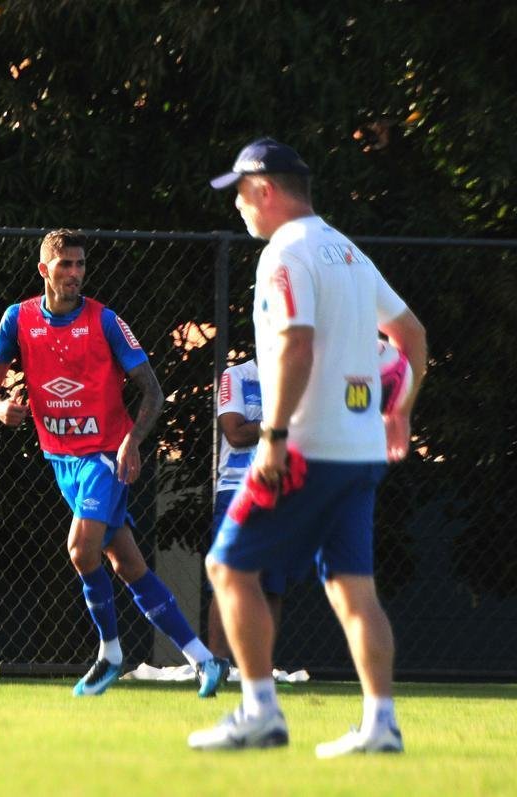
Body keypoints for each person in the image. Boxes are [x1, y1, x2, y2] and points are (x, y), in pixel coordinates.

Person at [190, 138, 426, 755]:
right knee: (354, 590)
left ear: (265, 189)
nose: (238, 205)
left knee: (226, 567)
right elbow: (412, 334)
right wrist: (398, 410)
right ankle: (381, 724)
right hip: (359, 452)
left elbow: (295, 345)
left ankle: (260, 711)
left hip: (306, 449)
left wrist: (273, 436)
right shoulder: (345, 249)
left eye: (240, 192)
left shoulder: (284, 254)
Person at [0, 229, 230, 698]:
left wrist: (132, 441)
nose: (74, 274)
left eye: (80, 265)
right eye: (65, 265)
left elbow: (152, 390)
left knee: (79, 550)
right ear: (44, 270)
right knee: (128, 564)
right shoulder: (19, 320)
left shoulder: (106, 321)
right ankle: (204, 658)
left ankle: (109, 652)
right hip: (60, 460)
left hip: (105, 457)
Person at [207, 358, 285, 660]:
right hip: (238, 488)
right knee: (228, 578)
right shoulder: (236, 375)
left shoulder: (302, 377)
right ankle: (217, 663)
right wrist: (282, 425)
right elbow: (235, 433)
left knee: (273, 583)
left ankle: (261, 668)